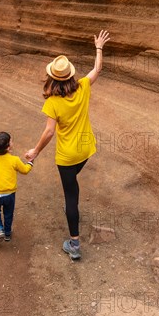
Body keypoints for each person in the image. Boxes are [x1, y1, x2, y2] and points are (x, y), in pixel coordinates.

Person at [25, 30, 110, 259]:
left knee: (71, 197)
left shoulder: (53, 102)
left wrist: (35, 151)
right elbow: (97, 70)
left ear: (52, 77)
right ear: (70, 75)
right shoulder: (82, 87)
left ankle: (74, 245)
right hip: (86, 149)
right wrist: (99, 47)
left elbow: (49, 131)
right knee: (74, 184)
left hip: (67, 155)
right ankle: (72, 212)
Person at [0, 132, 34, 242]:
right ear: (8, 147)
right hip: (9, 195)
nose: (13, 142)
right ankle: (7, 234)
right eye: (11, 141)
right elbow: (25, 170)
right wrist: (30, 162)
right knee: (8, 213)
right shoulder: (14, 160)